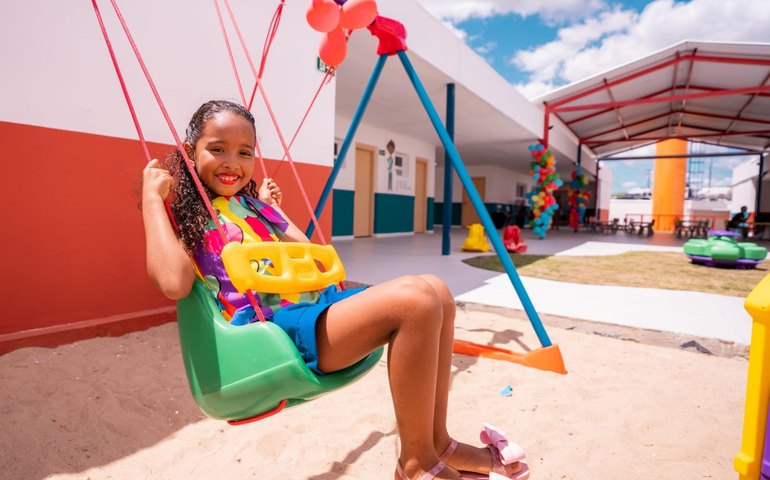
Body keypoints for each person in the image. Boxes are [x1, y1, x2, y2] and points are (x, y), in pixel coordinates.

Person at [142, 100, 529, 480]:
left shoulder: (254, 207)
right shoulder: (187, 219)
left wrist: (271, 211)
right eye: (217, 149)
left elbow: (306, 254)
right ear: (190, 152)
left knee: (437, 291)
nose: (233, 162)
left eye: (245, 152)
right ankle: (415, 464)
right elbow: (174, 283)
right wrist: (152, 202)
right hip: (274, 332)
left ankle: (438, 444)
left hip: (311, 309)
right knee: (415, 300)